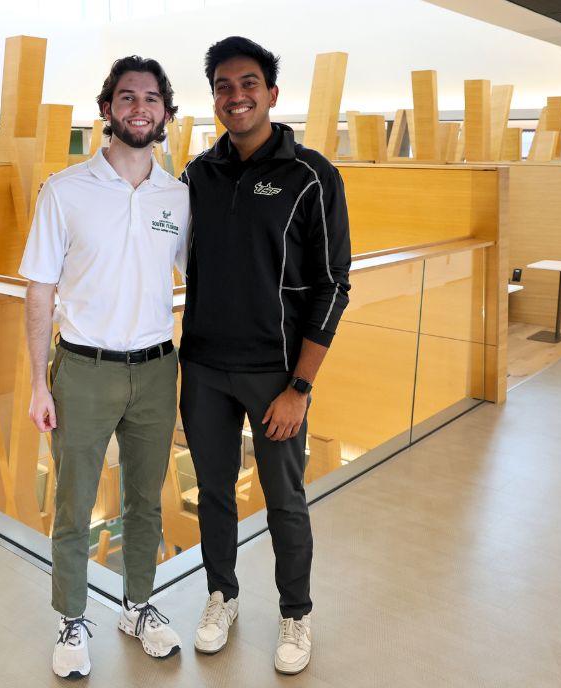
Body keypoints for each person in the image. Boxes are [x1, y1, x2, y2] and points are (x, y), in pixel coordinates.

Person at [178, 36, 351, 675]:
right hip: (202, 369)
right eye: (224, 86)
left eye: (248, 83)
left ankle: (295, 614)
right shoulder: (197, 174)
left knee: (284, 502)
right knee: (215, 494)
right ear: (215, 98)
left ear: (271, 94)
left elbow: (334, 284)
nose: (236, 95)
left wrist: (299, 388)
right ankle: (221, 596)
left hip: (276, 376)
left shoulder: (313, 176)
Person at [20, 55, 190, 679]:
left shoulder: (179, 196)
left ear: (166, 113)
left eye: (151, 97)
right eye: (127, 96)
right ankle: (71, 618)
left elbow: (201, 284)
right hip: (83, 370)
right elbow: (39, 290)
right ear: (107, 109)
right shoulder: (65, 191)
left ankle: (137, 606)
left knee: (146, 502)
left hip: (155, 369)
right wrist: (40, 381)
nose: (139, 106)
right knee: (74, 502)